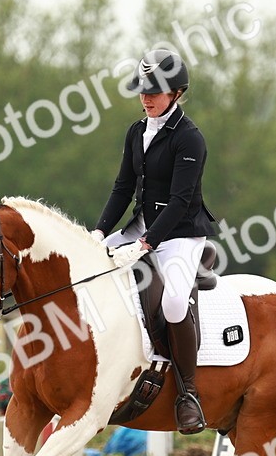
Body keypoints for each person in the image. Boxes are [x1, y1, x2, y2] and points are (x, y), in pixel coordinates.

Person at [91, 49, 216, 434]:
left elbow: (180, 202)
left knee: (175, 302)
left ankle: (188, 393)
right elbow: (123, 188)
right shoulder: (136, 132)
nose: (146, 98)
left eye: (155, 92)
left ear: (177, 93)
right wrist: (98, 233)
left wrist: (146, 244)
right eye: (142, 91)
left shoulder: (190, 139)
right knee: (90, 270)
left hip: (179, 235)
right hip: (140, 226)